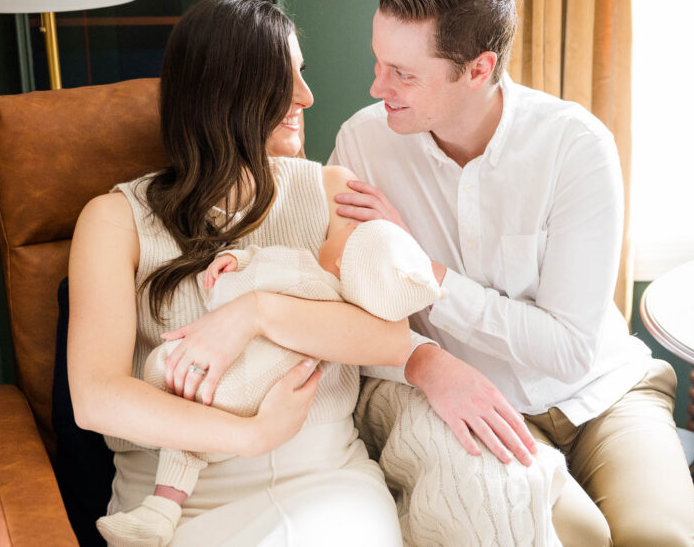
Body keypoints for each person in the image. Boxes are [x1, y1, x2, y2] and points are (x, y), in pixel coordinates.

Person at [330, 0, 694, 547]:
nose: (377, 87)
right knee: (568, 537)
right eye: (379, 62)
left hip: (603, 394)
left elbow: (565, 350)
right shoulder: (363, 143)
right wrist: (425, 360)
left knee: (658, 538)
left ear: (478, 69)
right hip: (474, 403)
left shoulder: (574, 148)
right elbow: (341, 308)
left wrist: (424, 270)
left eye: (402, 73)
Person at [67, 0, 411, 547]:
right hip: (174, 501)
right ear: (224, 93)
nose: (307, 96)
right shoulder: (116, 220)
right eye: (284, 79)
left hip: (325, 478)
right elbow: (96, 397)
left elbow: (390, 338)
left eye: (302, 74)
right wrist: (249, 436)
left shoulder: (332, 191)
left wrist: (254, 313)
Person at [95, 218, 445, 547]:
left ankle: (160, 509)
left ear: (340, 262)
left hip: (233, 383)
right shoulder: (345, 309)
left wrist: (235, 262)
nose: (346, 223)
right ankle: (161, 510)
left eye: (352, 230)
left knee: (183, 414)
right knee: (190, 436)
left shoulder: (302, 268)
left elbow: (240, 282)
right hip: (264, 398)